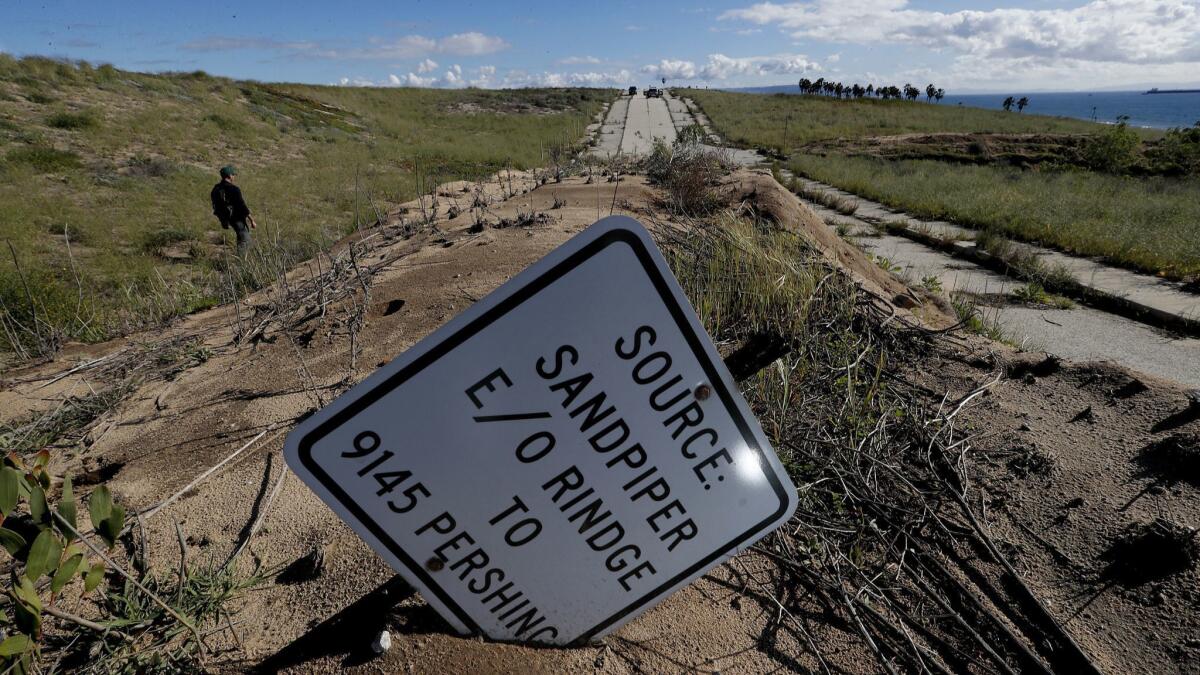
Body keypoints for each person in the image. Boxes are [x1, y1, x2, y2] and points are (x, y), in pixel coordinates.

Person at [210, 165, 256, 255]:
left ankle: (242, 258)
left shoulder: (216, 188)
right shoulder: (234, 189)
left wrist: (222, 218)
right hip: (237, 218)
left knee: (240, 236)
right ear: (229, 176)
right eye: (233, 175)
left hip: (226, 217)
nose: (234, 177)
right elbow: (242, 206)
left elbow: (215, 204)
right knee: (245, 239)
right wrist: (252, 220)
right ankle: (241, 261)